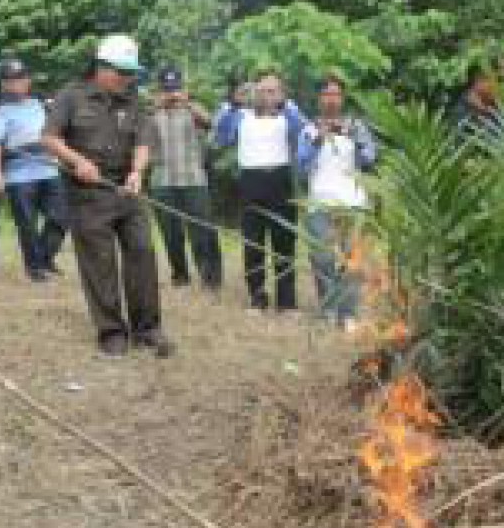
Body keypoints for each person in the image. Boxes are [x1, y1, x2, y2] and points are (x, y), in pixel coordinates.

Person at [42, 35, 173, 358]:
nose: (129, 79)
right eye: (123, 72)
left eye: (132, 73)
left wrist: (137, 172)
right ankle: (112, 331)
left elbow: (143, 141)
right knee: (99, 263)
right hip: (87, 192)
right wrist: (77, 161)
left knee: (141, 252)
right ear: (102, 67)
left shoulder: (133, 101)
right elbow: (49, 138)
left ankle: (148, 328)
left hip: (127, 190)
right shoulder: (71, 97)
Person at [214, 70, 307, 312]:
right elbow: (221, 137)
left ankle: (287, 303)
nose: (267, 95)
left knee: (284, 243)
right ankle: (257, 298)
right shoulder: (239, 114)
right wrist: (233, 103)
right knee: (253, 244)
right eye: (262, 90)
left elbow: (303, 131)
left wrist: (284, 104)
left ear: (282, 93)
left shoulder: (289, 112)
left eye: (272, 90)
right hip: (250, 182)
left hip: (280, 180)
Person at [297, 74, 379, 329]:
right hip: (319, 204)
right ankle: (329, 309)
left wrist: (351, 136)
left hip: (353, 203)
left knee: (351, 259)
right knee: (322, 258)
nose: (332, 99)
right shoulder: (308, 129)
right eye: (327, 94)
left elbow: (370, 159)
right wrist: (319, 139)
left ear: (342, 98)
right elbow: (301, 167)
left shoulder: (356, 126)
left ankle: (349, 312)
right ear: (319, 99)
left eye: (336, 94)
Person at [0, 58, 68, 283]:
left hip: (49, 170)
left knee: (61, 217)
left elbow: (56, 134)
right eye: (11, 80)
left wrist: (62, 158)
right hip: (19, 177)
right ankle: (35, 270)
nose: (17, 84)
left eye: (21, 79)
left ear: (28, 80)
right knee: (27, 225)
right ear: (3, 85)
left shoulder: (39, 104)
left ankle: (44, 258)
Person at [148, 67, 223, 291]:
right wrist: (156, 106)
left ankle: (211, 279)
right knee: (170, 234)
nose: (172, 94)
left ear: (183, 88)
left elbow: (212, 124)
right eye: (167, 89)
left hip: (193, 179)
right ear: (160, 89)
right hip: (162, 180)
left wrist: (188, 103)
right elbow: (135, 131)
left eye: (176, 89)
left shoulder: (193, 111)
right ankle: (180, 276)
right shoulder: (152, 113)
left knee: (203, 230)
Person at [454, 63, 504, 135]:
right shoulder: (462, 112)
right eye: (486, 79)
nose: (494, 84)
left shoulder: (498, 113)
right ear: (477, 79)